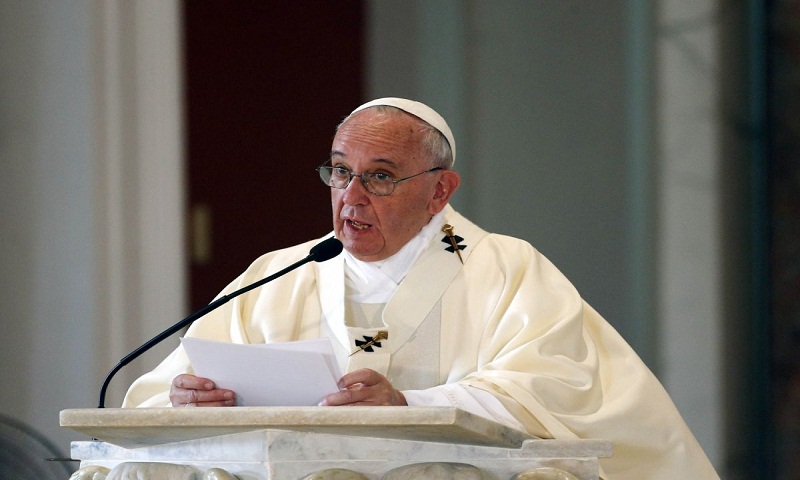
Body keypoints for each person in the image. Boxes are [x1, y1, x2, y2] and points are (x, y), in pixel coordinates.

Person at [123, 97, 720, 479]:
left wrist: (409, 406)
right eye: (340, 171)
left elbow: (553, 386)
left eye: (380, 177)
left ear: (440, 191)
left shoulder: (506, 269)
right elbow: (158, 396)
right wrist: (186, 401)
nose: (351, 197)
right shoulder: (278, 274)